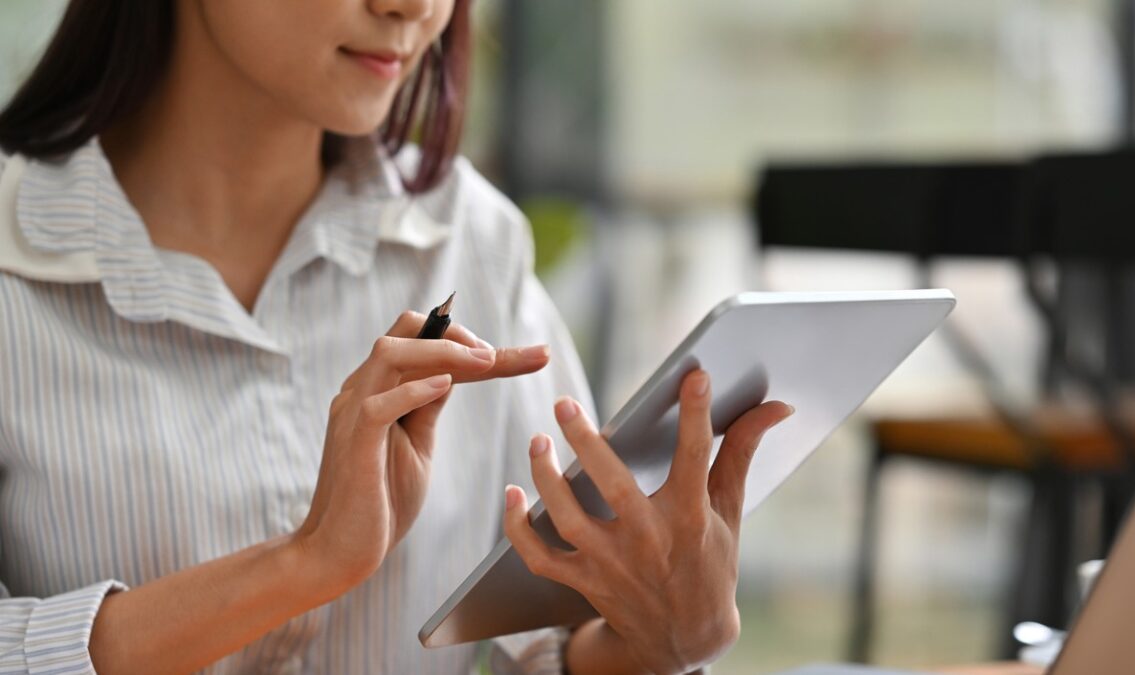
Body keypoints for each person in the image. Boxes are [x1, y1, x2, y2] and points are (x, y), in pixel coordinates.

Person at [0, 1, 792, 673]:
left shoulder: (471, 237)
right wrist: (302, 565)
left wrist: (654, 640)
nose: (413, 6)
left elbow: (553, 645)